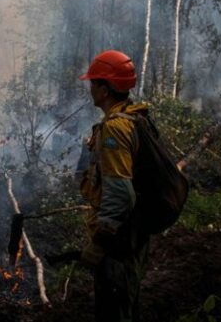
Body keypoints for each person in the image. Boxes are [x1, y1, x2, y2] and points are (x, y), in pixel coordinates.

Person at [78, 49, 150, 322]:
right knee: (127, 304)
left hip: (118, 241)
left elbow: (121, 194)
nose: (90, 88)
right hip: (132, 234)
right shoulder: (135, 117)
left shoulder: (116, 129)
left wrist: (99, 244)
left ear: (105, 89)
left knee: (114, 309)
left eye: (94, 82)